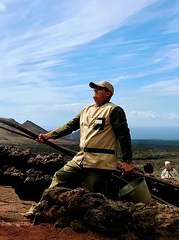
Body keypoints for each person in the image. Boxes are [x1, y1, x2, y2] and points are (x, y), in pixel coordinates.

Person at [25, 81, 134, 218]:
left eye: (99, 88)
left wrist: (127, 161)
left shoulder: (114, 110)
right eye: (94, 88)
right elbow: (70, 125)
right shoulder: (86, 109)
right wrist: (50, 135)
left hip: (100, 162)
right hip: (81, 157)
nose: (94, 90)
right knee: (60, 176)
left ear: (108, 93)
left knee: (91, 194)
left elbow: (123, 135)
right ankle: (40, 208)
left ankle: (88, 226)